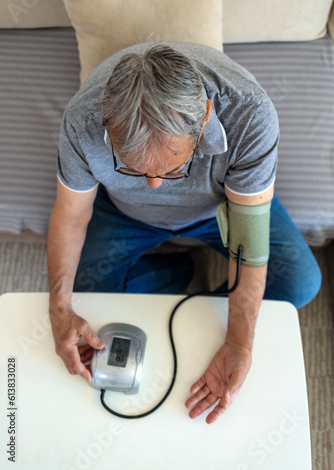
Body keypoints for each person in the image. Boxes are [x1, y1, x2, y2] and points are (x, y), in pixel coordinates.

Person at [47, 42, 321, 424]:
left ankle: (186, 288)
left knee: (300, 284)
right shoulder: (83, 119)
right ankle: (180, 271)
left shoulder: (250, 114)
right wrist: (58, 309)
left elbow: (247, 238)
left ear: (206, 117)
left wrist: (239, 341)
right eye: (135, 168)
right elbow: (72, 217)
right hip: (124, 215)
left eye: (174, 168)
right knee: (88, 299)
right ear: (108, 127)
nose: (156, 185)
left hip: (224, 208)